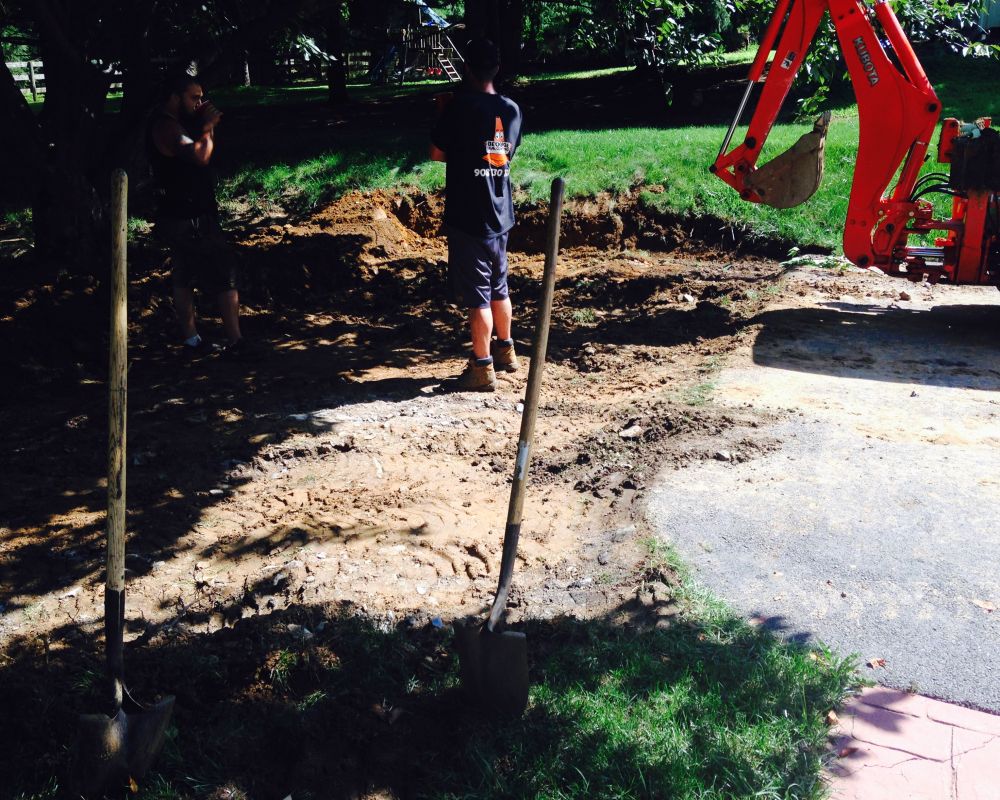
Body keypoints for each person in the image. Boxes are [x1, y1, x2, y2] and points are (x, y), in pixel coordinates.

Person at [431, 38, 523, 391]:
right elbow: (504, 154)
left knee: (477, 297)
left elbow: (437, 154)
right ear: (497, 68)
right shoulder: (512, 109)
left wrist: (442, 112)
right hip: (500, 213)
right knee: (499, 286)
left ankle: (482, 368)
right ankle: (506, 351)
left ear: (466, 68)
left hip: (468, 215)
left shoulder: (458, 108)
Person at [147, 72, 244, 355]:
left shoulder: (173, 123)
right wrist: (208, 127)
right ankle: (236, 341)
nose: (200, 104)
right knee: (224, 273)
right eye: (194, 98)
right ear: (174, 97)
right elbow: (202, 156)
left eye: (202, 98)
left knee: (185, 275)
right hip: (189, 219)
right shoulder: (168, 127)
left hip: (183, 214)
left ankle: (192, 340)